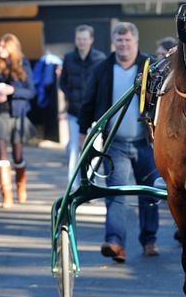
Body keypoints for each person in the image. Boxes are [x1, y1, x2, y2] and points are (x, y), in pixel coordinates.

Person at [79, 22, 159, 262]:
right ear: (113, 42)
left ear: (135, 41)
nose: (123, 45)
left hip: (146, 142)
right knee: (115, 194)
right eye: (119, 40)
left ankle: (149, 240)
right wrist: (84, 133)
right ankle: (115, 242)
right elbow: (88, 102)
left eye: (128, 41)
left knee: (150, 193)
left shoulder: (150, 66)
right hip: (115, 143)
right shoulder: (102, 68)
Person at [0, 33, 36, 208]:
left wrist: (12, 91)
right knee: (1, 152)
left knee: (18, 155)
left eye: (3, 46)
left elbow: (31, 92)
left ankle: (21, 187)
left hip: (17, 115)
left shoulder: (23, 64)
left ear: (11, 48)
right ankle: (6, 195)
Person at [60, 25, 106, 182]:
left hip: (94, 114)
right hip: (74, 112)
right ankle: (73, 186)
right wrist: (72, 94)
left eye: (85, 39)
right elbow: (63, 83)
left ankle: (92, 183)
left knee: (94, 149)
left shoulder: (100, 59)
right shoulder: (68, 58)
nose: (82, 42)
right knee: (74, 148)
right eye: (79, 39)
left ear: (91, 40)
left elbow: (103, 84)